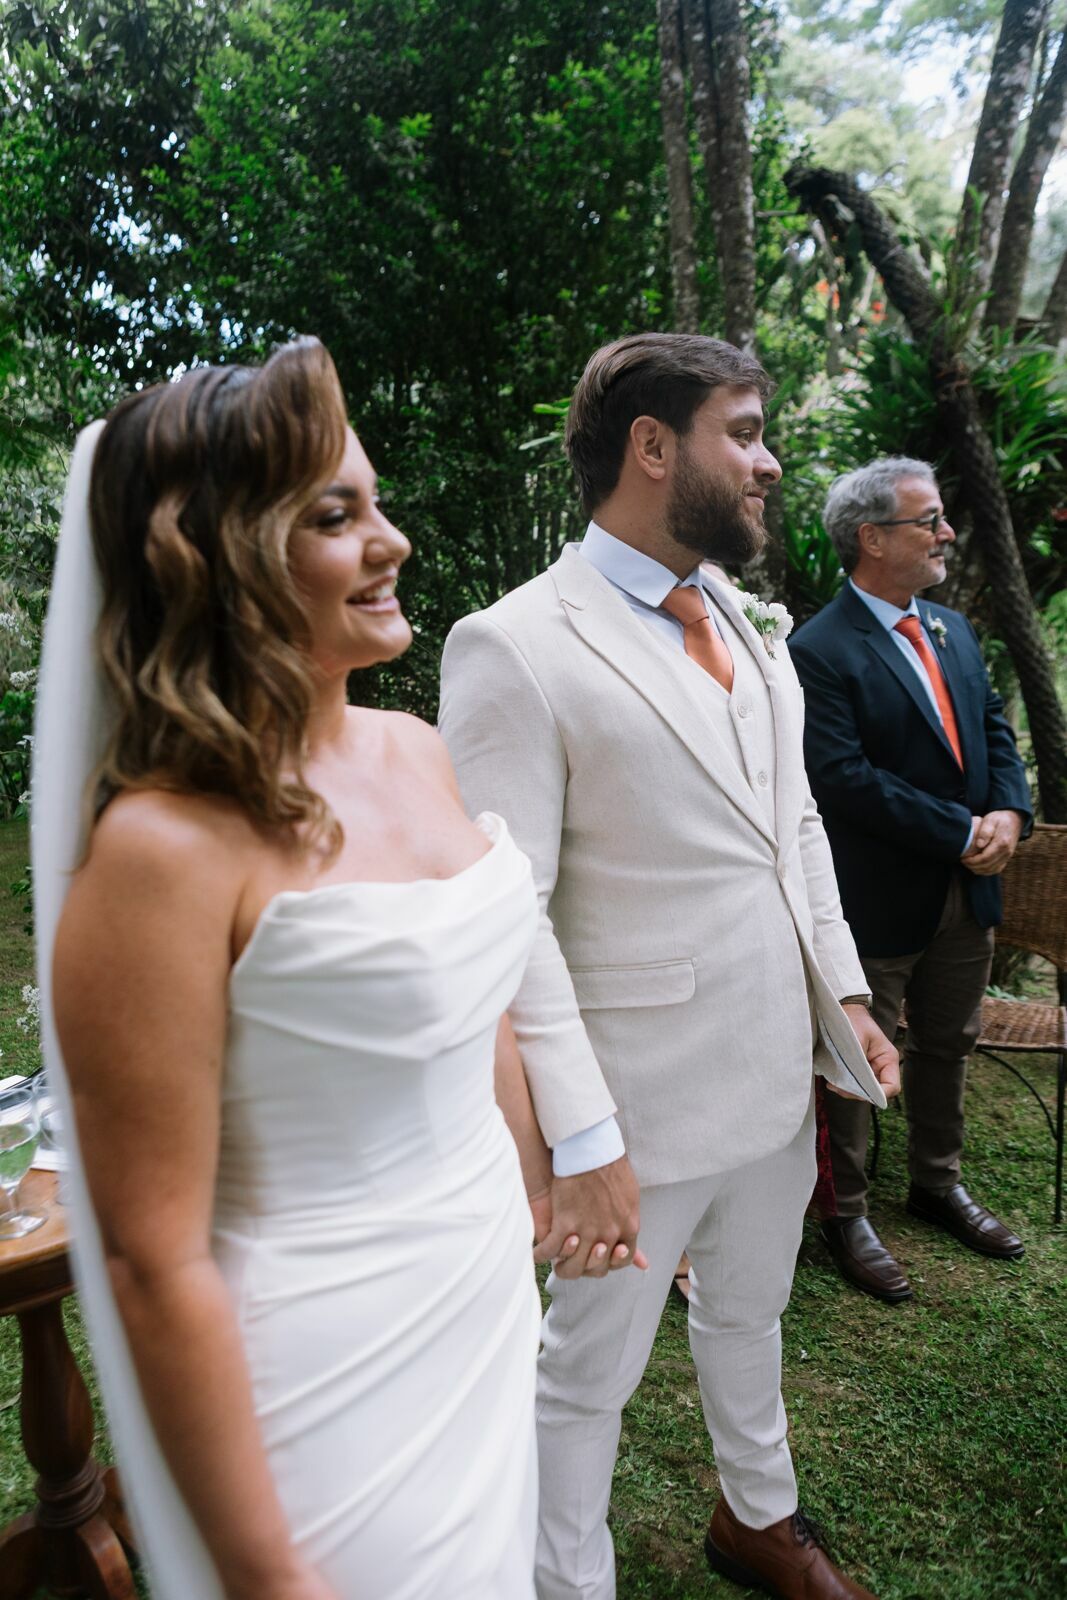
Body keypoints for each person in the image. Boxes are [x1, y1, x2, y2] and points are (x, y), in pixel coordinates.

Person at [34, 339, 569, 1600]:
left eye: (374, 503)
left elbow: (472, 997)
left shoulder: (416, 747)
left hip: (480, 1287)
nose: (391, 542)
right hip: (326, 1359)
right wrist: (268, 1576)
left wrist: (533, 1181)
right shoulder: (158, 852)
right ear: (212, 554)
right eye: (336, 515)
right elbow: (150, 1258)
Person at [438, 332, 900, 1600]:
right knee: (584, 1374)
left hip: (771, 1070)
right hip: (629, 1106)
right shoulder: (515, 645)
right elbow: (505, 915)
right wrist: (580, 1140)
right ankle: (562, 1584)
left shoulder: (750, 627)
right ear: (653, 446)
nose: (764, 463)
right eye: (742, 433)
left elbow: (790, 820)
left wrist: (844, 996)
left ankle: (757, 1519)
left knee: (749, 1314)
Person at [789, 457, 1033, 1305]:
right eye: (926, 520)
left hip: (967, 897)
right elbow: (841, 776)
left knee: (951, 1040)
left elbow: (994, 732)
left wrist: (1008, 814)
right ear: (870, 538)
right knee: (861, 1057)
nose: (944, 533)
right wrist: (957, 830)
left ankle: (936, 1182)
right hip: (877, 897)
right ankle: (845, 1211)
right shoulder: (815, 649)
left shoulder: (949, 627)